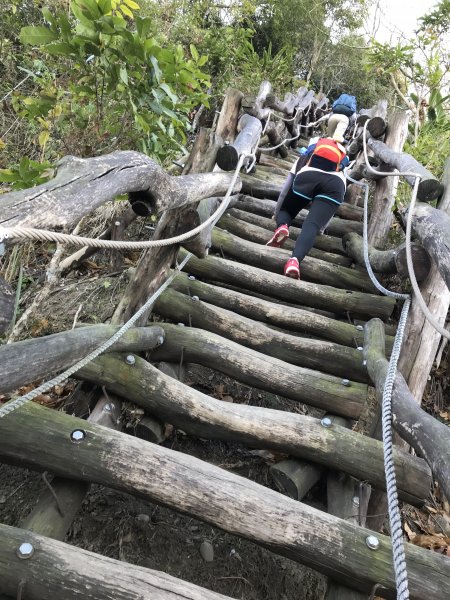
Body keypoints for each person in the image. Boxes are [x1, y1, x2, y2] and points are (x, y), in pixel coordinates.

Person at [266, 135, 349, 280]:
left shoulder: (308, 153)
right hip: (335, 184)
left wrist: (278, 215)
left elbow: (285, 190)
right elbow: (331, 211)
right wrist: (320, 227)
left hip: (307, 177)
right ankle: (294, 261)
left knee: (287, 211)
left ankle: (283, 227)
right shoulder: (342, 155)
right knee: (312, 224)